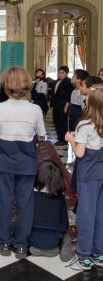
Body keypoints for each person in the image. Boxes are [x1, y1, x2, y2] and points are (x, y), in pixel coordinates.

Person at [0, 66, 46, 259]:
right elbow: (41, 136)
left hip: (3, 163)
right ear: (27, 85)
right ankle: (21, 245)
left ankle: (5, 242)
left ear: (5, 86)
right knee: (25, 203)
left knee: (4, 202)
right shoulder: (35, 109)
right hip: (27, 163)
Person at [65, 84, 103, 271]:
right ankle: (99, 252)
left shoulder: (85, 125)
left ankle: (84, 255)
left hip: (88, 175)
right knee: (101, 213)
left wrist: (71, 138)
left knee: (86, 214)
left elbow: (79, 153)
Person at [28, 160, 72, 262]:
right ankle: (60, 244)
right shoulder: (60, 198)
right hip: (53, 241)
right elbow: (64, 223)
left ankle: (33, 247)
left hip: (34, 239)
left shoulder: (31, 195)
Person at [50, 66, 74, 146]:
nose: (60, 74)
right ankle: (59, 139)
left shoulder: (68, 83)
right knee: (56, 122)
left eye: (62, 73)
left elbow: (69, 96)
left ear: (66, 74)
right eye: (59, 72)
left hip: (63, 106)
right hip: (56, 106)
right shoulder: (57, 82)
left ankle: (64, 140)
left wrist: (66, 107)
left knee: (62, 123)